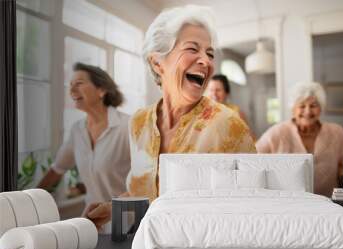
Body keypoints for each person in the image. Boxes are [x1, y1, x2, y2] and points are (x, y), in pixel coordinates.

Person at [85, 5, 256, 229]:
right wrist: (112, 207)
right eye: (193, 49)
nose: (206, 61)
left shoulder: (228, 125)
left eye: (210, 53)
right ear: (157, 62)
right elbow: (143, 192)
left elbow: (252, 204)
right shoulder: (138, 123)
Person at [256, 81, 343, 222]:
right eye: (302, 106)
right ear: (293, 109)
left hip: (329, 210)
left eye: (313, 105)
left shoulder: (337, 133)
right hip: (287, 211)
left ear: (321, 108)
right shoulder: (277, 133)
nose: (308, 111)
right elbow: (252, 162)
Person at [38, 62, 131, 218]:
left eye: (79, 84)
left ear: (101, 90)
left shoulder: (127, 126)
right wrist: (27, 199)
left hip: (126, 222)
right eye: (71, 85)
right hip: (91, 221)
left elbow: (146, 179)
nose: (72, 90)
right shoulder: (77, 130)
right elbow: (57, 169)